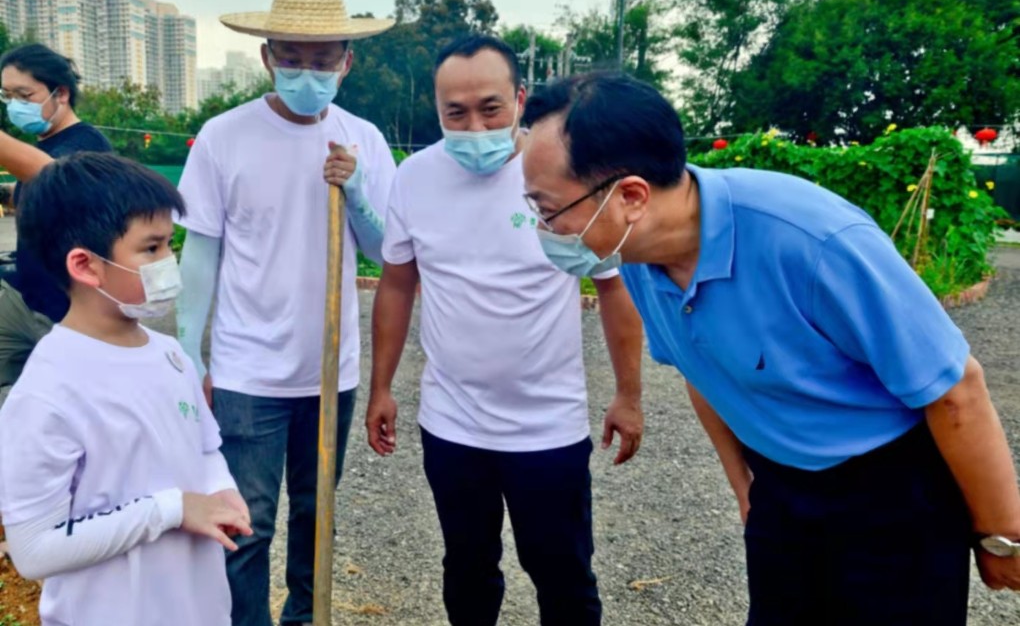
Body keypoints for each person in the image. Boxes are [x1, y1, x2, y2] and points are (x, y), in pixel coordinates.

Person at [520, 72, 1020, 625]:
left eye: (547, 207)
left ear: (632, 196)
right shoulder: (638, 256)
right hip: (782, 490)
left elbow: (955, 390)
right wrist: (746, 488)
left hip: (892, 493)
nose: (540, 226)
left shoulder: (813, 243)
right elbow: (703, 370)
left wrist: (1001, 538)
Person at [367, 36, 644, 626]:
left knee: (563, 573)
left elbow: (614, 288)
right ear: (436, 111)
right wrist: (381, 387)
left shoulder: (563, 174)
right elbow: (396, 284)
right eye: (455, 113)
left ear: (520, 99)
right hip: (452, 423)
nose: (473, 125)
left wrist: (629, 395)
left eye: (490, 108)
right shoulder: (414, 179)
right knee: (467, 569)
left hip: (547, 426)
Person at [175, 0, 395, 626]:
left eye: (324, 58)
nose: (309, 72)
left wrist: (354, 190)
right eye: (294, 57)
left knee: (317, 511)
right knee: (247, 523)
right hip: (249, 371)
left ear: (347, 61)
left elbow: (387, 254)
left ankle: (307, 615)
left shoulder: (364, 142)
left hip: (333, 371)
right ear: (268, 56)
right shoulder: (224, 136)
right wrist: (190, 351)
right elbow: (201, 252)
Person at [0, 152, 252, 625]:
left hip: (197, 608)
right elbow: (34, 549)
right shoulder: (48, 390)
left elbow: (203, 447)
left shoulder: (170, 355)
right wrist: (171, 510)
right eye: (151, 248)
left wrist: (220, 488)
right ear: (86, 265)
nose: (169, 262)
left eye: (169, 245)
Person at [0, 44, 113, 397]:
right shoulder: (43, 144)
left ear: (60, 93)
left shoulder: (89, 145)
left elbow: (53, 175)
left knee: (73, 408)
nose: (15, 103)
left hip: (66, 312)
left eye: (24, 94)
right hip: (23, 299)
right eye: (7, 95)